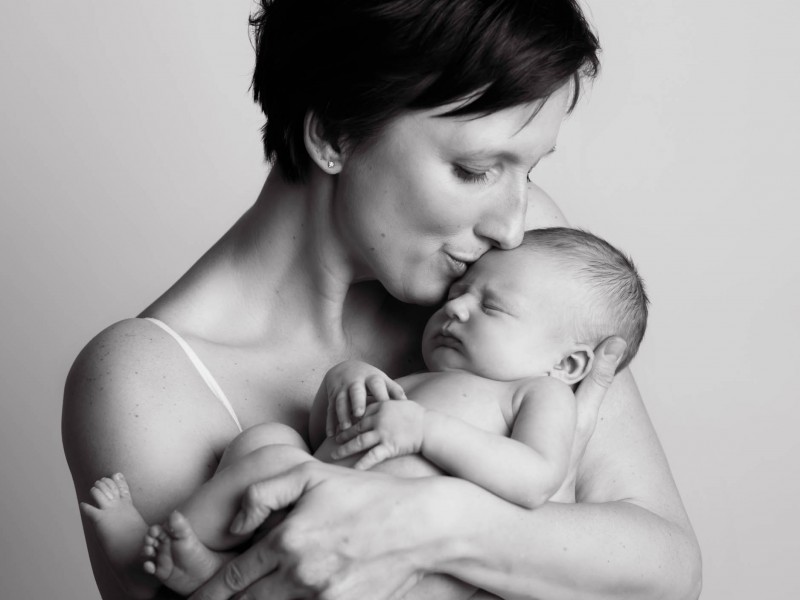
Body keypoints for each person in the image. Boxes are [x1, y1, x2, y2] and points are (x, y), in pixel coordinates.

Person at [62, 1, 702, 599]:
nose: (511, 226)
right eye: (476, 170)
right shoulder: (146, 377)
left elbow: (669, 570)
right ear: (333, 135)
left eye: (528, 170)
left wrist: (433, 524)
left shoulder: (517, 265)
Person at [80, 227, 650, 597]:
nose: (457, 308)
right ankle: (178, 558)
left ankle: (203, 573)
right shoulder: (418, 378)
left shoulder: (538, 395)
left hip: (391, 562)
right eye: (461, 292)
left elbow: (534, 478)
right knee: (267, 443)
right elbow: (327, 442)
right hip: (311, 501)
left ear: (568, 362)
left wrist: (424, 430)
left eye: (492, 307)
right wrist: (342, 385)